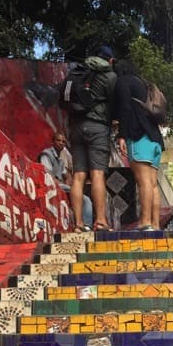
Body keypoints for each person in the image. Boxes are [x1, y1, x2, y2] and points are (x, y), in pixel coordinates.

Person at [67, 45, 117, 232]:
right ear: (110, 60)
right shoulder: (109, 76)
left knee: (78, 176)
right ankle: (101, 221)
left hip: (75, 127)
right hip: (97, 127)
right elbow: (114, 102)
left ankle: (78, 224)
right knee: (97, 174)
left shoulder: (78, 71)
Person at [113, 59, 165, 232]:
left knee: (143, 182)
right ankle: (155, 225)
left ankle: (144, 222)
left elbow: (125, 109)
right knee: (152, 183)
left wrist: (122, 135)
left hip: (139, 135)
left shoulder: (122, 82)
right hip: (155, 139)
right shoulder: (143, 83)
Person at [39, 131, 93, 230]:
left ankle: (85, 226)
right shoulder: (46, 154)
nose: (61, 143)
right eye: (58, 140)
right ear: (53, 141)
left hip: (60, 185)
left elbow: (66, 175)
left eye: (63, 142)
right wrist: (68, 186)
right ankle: (86, 226)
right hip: (51, 185)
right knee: (85, 199)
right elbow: (47, 175)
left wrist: (71, 184)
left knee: (82, 197)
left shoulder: (60, 159)